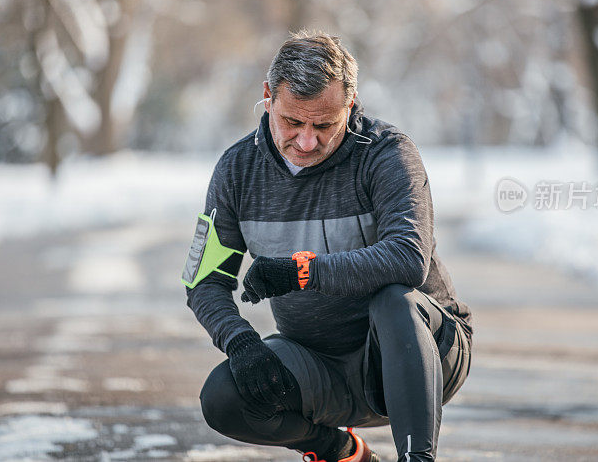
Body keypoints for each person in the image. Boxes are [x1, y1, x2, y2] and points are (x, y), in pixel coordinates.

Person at [183, 30, 472, 462]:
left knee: (395, 301)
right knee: (223, 396)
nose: (306, 141)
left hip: (421, 354)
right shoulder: (236, 170)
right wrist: (240, 341)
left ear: (349, 105)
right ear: (268, 97)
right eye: (293, 122)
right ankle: (340, 451)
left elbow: (408, 258)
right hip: (319, 364)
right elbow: (204, 281)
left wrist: (303, 271)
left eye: (324, 125)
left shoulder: (387, 154)